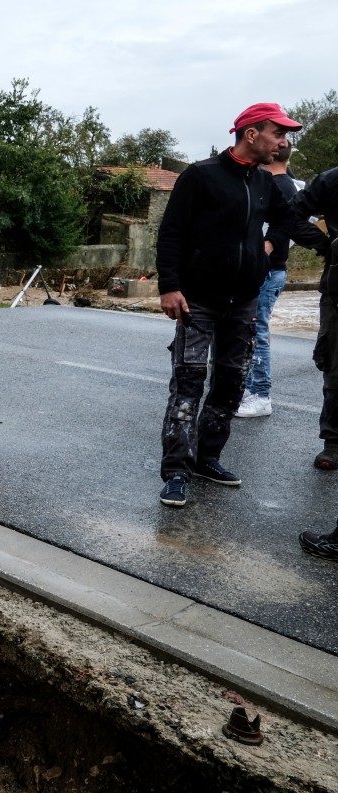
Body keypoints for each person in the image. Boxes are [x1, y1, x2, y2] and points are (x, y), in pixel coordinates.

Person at [155, 103, 322, 508]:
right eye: (278, 133)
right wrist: (169, 286)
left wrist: (275, 245)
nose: (284, 142)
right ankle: (176, 470)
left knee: (230, 384)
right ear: (251, 134)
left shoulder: (265, 182)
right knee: (188, 385)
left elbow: (291, 219)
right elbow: (171, 231)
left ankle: (207, 459)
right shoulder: (201, 175)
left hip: (244, 302)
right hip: (198, 301)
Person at [234, 143, 314, 418]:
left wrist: (265, 248)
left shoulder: (278, 186)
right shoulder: (290, 184)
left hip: (267, 268)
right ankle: (251, 390)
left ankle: (260, 394)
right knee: (253, 329)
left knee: (256, 331)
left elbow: (282, 227)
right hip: (272, 267)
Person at [287, 166, 338, 470]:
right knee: (335, 365)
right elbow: (289, 215)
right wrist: (326, 246)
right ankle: (334, 442)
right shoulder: (331, 180)